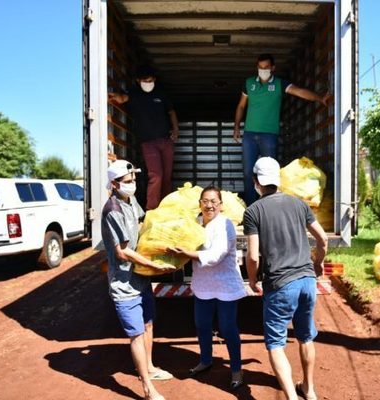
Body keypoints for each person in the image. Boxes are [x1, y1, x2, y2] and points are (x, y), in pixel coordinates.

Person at [242, 157, 328, 400]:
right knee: (306, 336)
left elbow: (253, 256)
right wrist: (318, 263)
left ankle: (291, 396)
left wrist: (252, 280)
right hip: (307, 281)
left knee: (276, 343)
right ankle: (309, 390)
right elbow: (322, 239)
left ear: (255, 182)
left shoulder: (253, 211)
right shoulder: (299, 204)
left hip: (280, 284)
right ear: (277, 179)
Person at [101, 159, 177, 400]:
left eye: (134, 180)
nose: (132, 184)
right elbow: (122, 252)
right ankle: (147, 388)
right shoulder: (112, 210)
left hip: (141, 279)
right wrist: (154, 264)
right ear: (114, 184)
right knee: (135, 334)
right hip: (124, 283)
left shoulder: (130, 200)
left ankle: (151, 368)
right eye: (127, 181)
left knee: (148, 325)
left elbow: (143, 224)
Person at [167, 186, 246, 389]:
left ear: (221, 205)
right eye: (205, 201)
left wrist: (187, 253)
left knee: (228, 328)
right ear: (199, 203)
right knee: (202, 325)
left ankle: (236, 370)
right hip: (203, 284)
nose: (209, 205)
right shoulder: (195, 223)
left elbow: (216, 255)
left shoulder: (225, 224)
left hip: (225, 285)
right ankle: (205, 360)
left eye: (214, 201)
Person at [233, 53, 332, 205]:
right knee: (248, 172)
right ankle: (251, 207)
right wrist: (236, 127)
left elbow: (299, 91)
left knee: (271, 173)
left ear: (273, 68)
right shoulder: (249, 83)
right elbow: (241, 106)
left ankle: (270, 205)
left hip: (269, 136)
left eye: (266, 67)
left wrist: (319, 98)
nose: (263, 70)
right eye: (260, 67)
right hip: (249, 134)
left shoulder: (279, 84)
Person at [109, 65, 180, 210]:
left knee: (166, 178)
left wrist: (176, 129)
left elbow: (171, 112)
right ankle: (152, 211)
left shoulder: (161, 94)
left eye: (150, 80)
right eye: (144, 80)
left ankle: (166, 209)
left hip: (166, 141)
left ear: (154, 79)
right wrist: (113, 97)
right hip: (148, 143)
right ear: (138, 80)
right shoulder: (135, 93)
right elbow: (123, 98)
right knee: (156, 176)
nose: (148, 83)